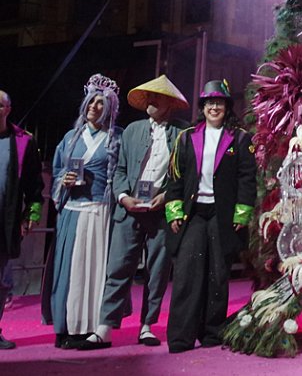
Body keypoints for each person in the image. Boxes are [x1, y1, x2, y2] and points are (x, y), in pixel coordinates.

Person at [83, 75, 189, 350]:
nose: (152, 101)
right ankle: (105, 327)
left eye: (158, 97)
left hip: (160, 212)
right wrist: (123, 197)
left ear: (169, 103)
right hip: (129, 210)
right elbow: (118, 169)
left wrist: (167, 196)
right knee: (118, 266)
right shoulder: (132, 130)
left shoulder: (182, 133)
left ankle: (147, 326)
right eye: (150, 96)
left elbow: (186, 173)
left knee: (158, 271)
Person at [164, 79, 256, 353]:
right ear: (202, 107)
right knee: (186, 275)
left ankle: (212, 333)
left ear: (227, 107)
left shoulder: (240, 138)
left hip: (222, 214)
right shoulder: (186, 137)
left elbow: (247, 179)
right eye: (209, 103)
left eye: (219, 103)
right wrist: (174, 211)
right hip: (193, 212)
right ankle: (180, 337)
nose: (214, 107)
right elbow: (175, 177)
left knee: (218, 273)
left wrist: (241, 214)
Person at [43, 74, 121, 349]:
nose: (94, 107)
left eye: (101, 103)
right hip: (72, 211)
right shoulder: (70, 138)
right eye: (91, 101)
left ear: (109, 108)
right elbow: (57, 172)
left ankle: (93, 329)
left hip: (101, 212)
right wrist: (63, 181)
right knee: (70, 272)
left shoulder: (116, 138)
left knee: (97, 273)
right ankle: (65, 327)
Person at [0, 90, 42, 350]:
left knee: (1, 280)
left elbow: (34, 185)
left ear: (8, 109)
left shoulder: (22, 142)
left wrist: (32, 214)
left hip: (4, 221)